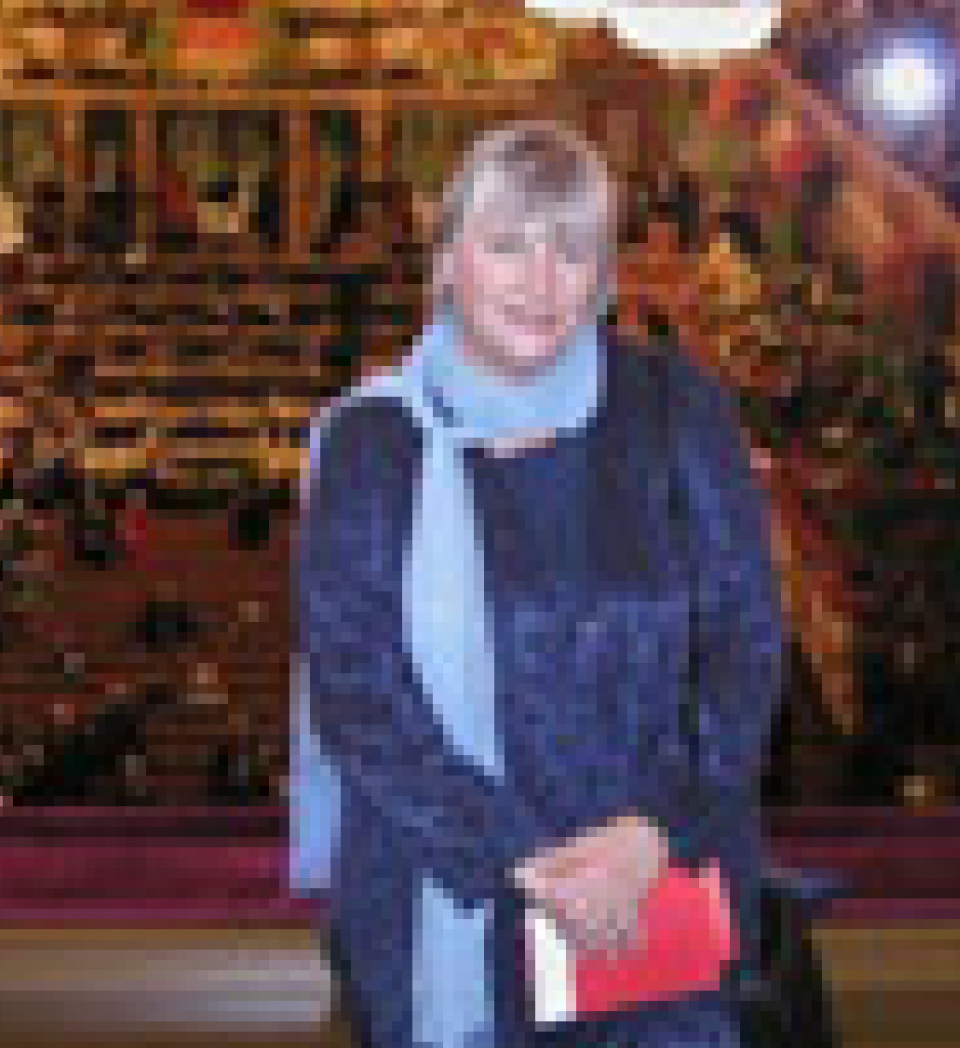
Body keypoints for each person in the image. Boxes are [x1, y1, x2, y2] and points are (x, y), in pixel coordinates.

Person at [292, 122, 786, 1048]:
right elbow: (357, 690)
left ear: (603, 276)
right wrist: (527, 858)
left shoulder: (675, 408)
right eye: (508, 244)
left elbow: (744, 641)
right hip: (449, 894)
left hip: (657, 892)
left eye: (572, 249)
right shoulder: (372, 441)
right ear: (447, 262)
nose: (541, 279)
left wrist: (650, 834)